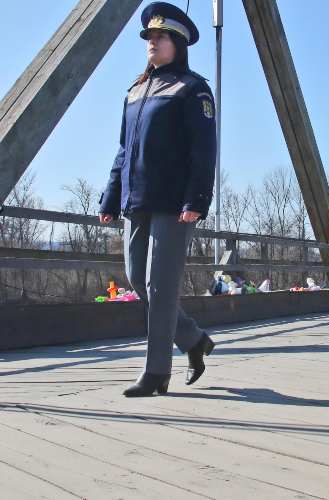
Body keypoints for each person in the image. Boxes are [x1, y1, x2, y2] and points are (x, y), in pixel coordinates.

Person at [99, 2, 216, 397]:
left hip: (174, 203)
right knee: (138, 279)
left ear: (178, 43)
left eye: (160, 36)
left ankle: (156, 373)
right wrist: (110, 196)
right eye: (149, 36)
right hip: (137, 199)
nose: (152, 41)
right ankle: (195, 340)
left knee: (160, 286)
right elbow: (122, 150)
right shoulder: (134, 91)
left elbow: (204, 148)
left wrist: (197, 198)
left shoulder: (193, 88)